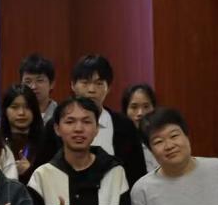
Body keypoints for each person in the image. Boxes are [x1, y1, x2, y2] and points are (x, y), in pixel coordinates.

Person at [43, 55, 148, 186]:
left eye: (99, 83)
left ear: (108, 87)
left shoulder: (124, 126)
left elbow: (137, 174)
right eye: (85, 83)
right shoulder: (56, 124)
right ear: (73, 85)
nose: (91, 90)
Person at [0, 84, 53, 184]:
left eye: (27, 107)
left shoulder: (47, 142)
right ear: (5, 110)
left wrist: (30, 171)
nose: (21, 113)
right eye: (14, 107)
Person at [122, 83, 159, 172]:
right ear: (125, 110)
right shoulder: (120, 142)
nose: (140, 113)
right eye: (134, 107)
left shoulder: (161, 137)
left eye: (146, 106)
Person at [19, 53, 58, 125]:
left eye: (40, 80)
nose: (33, 86)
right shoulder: (16, 115)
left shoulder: (61, 114)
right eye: (28, 81)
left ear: (52, 84)